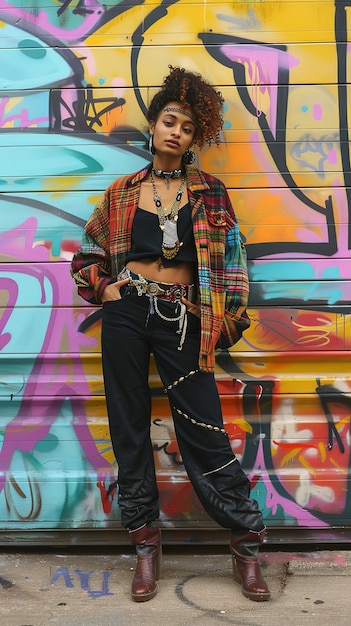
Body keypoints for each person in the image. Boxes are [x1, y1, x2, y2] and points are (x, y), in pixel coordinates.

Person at [71, 66, 270, 603]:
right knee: (128, 425)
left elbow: (233, 262)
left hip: (185, 317)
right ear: (154, 126)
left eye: (186, 126)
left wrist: (226, 321)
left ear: (194, 137)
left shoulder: (210, 193)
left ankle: (247, 541)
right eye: (169, 120)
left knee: (204, 426)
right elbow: (86, 255)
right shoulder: (121, 193)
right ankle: (144, 544)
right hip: (128, 314)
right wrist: (105, 288)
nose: (176, 131)